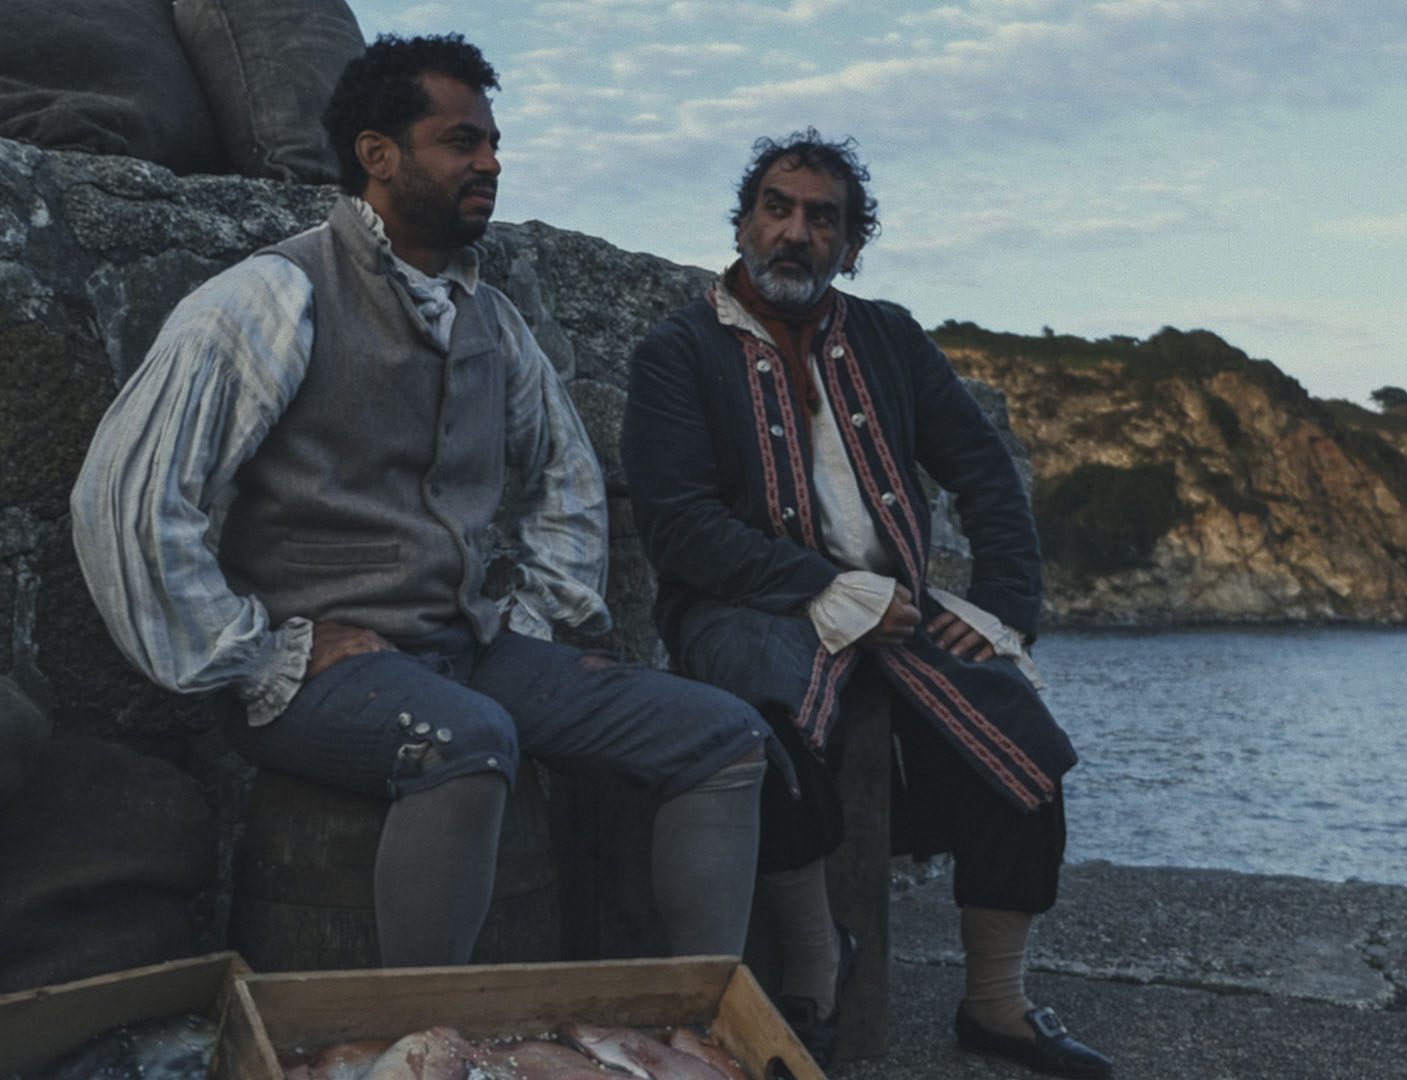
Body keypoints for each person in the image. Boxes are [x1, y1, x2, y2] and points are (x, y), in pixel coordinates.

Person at [69, 33, 772, 968]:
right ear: (378, 155)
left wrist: (536, 612)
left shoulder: (492, 317)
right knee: (469, 744)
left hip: (468, 647)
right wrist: (257, 650)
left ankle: (690, 1026)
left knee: (722, 736)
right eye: (461, 141)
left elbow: (564, 474)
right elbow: (126, 496)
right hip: (316, 674)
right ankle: (423, 1041)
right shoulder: (275, 295)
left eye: (492, 144)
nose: (489, 162)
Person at [622, 130, 1112, 1078]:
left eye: (822, 219)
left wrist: (1004, 607)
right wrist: (825, 589)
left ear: (850, 245)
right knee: (760, 731)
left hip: (895, 611)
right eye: (777, 207)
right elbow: (680, 529)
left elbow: (984, 471)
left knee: (1024, 743)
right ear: (744, 220)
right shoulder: (677, 352)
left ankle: (995, 1007)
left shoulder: (888, 336)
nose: (795, 232)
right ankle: (816, 970)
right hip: (746, 606)